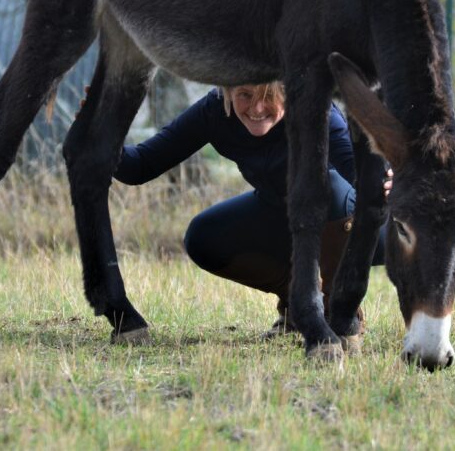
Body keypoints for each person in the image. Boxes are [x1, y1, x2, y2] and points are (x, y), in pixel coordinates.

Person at [109, 82, 387, 336]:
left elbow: (359, 183)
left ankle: (338, 310)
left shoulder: (317, 109)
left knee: (328, 186)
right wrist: (103, 133)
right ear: (227, 92)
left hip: (362, 231)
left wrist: (388, 181)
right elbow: (140, 165)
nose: (256, 108)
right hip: (283, 218)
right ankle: (299, 302)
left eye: (269, 97)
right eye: (244, 95)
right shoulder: (214, 110)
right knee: (204, 237)